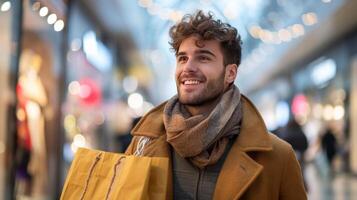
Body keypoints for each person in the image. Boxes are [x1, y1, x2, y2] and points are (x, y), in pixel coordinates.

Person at [125, 10, 307, 200]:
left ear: (230, 73)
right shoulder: (143, 144)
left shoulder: (278, 157)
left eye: (203, 57)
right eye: (182, 58)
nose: (188, 68)